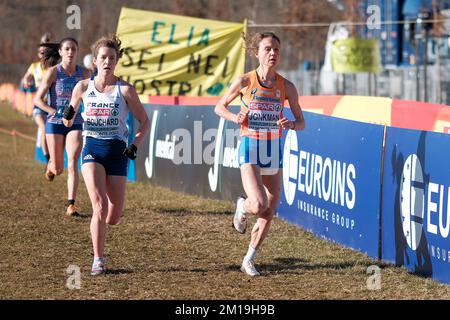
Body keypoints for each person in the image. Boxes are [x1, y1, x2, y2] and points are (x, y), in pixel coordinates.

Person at [214, 32, 306, 277]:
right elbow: (219, 107)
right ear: (257, 53)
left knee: (268, 212)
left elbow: (302, 122)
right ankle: (242, 206)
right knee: (258, 204)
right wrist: (235, 117)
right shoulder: (245, 81)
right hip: (250, 147)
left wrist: (291, 124)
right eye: (268, 49)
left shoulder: (286, 86)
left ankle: (249, 259)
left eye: (276, 49)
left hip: (273, 150)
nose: (273, 53)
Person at [62, 35, 150, 276]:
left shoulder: (125, 90)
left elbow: (144, 121)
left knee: (113, 216)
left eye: (112, 58)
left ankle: (108, 219)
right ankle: (98, 259)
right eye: (103, 57)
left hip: (117, 153)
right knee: (98, 206)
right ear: (95, 61)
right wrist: (66, 114)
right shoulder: (82, 87)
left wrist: (135, 144)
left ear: (117, 60)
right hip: (92, 149)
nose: (107, 61)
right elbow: (68, 118)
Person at [33, 38, 90, 216]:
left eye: (73, 49)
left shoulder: (85, 73)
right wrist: (55, 112)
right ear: (60, 52)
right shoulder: (53, 73)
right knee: (59, 168)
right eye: (67, 49)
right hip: (56, 123)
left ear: (77, 51)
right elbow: (37, 100)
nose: (70, 52)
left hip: (76, 122)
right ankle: (51, 167)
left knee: (73, 162)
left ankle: (71, 204)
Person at [21, 42, 60, 163]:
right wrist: (26, 81)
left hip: (52, 105)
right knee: (44, 128)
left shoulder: (55, 68)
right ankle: (48, 159)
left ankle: (52, 158)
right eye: (40, 52)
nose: (42, 54)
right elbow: (25, 78)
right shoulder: (34, 66)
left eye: (44, 52)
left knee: (50, 131)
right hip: (39, 105)